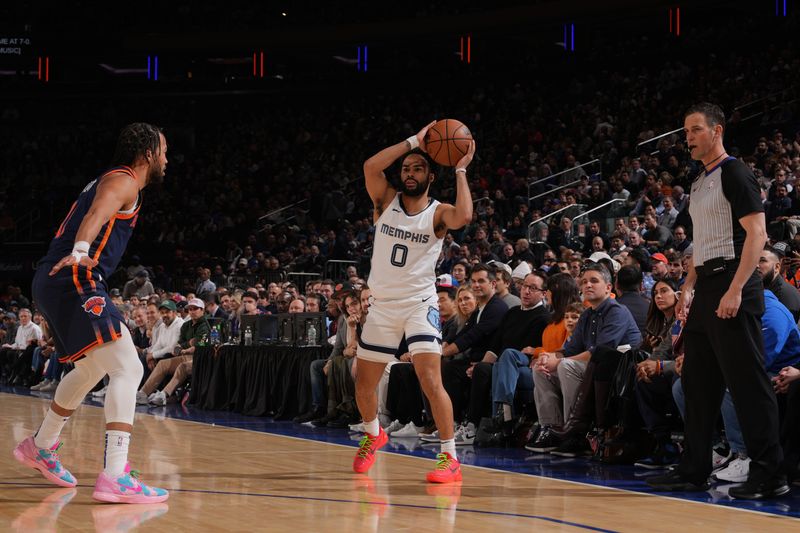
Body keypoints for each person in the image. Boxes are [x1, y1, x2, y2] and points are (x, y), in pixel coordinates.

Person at [13, 123, 169, 503]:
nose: (168, 159)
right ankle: (116, 474)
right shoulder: (125, 179)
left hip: (53, 280)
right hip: (76, 275)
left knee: (91, 368)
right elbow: (98, 213)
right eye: (165, 151)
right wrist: (82, 248)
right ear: (147, 152)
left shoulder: (112, 178)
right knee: (128, 368)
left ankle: (41, 446)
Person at [647, 103, 788, 500]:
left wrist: (737, 288)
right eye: (685, 131)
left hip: (734, 281)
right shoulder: (698, 181)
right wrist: (689, 283)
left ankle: (769, 472)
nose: (687, 137)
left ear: (717, 131)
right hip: (708, 282)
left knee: (747, 384)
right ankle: (693, 468)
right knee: (698, 383)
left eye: (694, 130)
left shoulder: (736, 172)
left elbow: (757, 234)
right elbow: (705, 240)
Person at [353, 120, 475, 483]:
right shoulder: (385, 200)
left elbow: (464, 216)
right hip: (383, 304)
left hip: (420, 304)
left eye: (418, 167)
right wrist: (412, 142)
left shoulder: (438, 212)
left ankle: (449, 457)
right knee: (363, 382)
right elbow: (371, 167)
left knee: (429, 379)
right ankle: (374, 434)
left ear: (430, 176)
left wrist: (462, 170)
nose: (409, 172)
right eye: (406, 168)